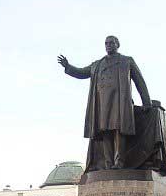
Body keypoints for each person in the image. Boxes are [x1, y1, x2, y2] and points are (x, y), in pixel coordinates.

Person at [58, 35, 151, 172]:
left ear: (117, 44)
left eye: (111, 43)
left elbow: (140, 82)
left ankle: (119, 162)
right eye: (106, 43)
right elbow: (82, 72)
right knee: (105, 132)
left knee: (119, 130)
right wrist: (68, 66)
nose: (108, 45)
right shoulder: (97, 64)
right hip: (102, 104)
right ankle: (108, 164)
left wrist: (146, 102)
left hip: (120, 103)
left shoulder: (126, 61)